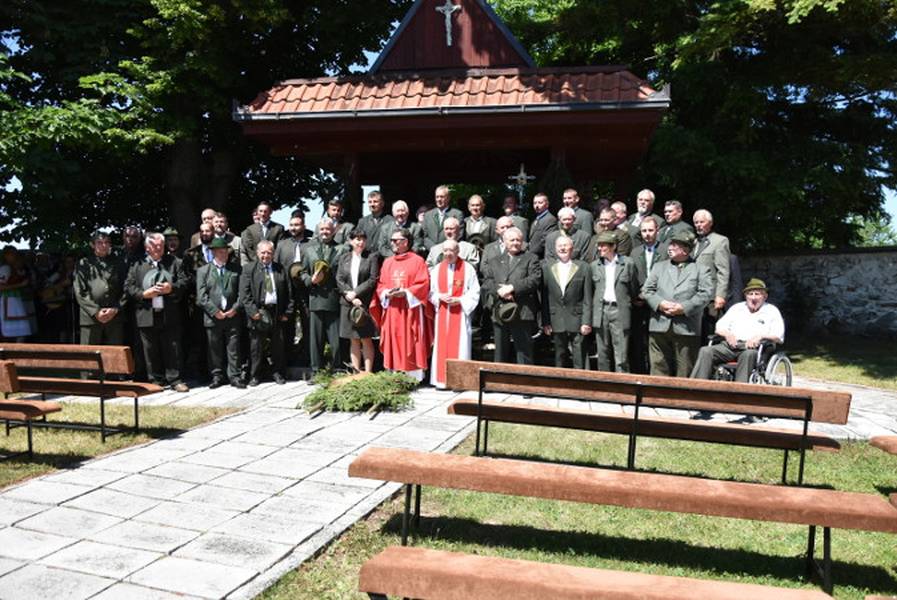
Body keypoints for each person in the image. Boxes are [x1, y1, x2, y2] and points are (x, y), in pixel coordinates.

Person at [642, 232, 713, 377]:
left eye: (674, 245)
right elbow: (647, 290)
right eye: (670, 244)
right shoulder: (659, 267)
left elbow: (705, 294)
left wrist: (684, 308)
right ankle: (657, 392)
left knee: (685, 369)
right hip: (659, 325)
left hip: (686, 327)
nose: (670, 248)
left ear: (685, 250)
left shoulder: (701, 269)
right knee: (658, 367)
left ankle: (682, 393)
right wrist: (660, 304)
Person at [125, 233, 189, 391]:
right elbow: (128, 287)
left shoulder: (175, 262)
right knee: (150, 348)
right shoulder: (137, 264)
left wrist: (171, 288)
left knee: (172, 347)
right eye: (155, 245)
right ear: (147, 247)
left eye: (161, 245)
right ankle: (155, 380)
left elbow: (185, 282)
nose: (159, 248)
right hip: (146, 312)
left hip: (169, 312)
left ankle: (175, 380)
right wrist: (143, 294)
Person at [691, 278, 785, 382]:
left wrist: (760, 337)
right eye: (750, 294)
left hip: (754, 348)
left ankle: (739, 389)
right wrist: (727, 334)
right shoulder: (737, 308)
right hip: (730, 346)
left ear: (765, 296)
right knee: (706, 351)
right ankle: (697, 386)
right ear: (746, 296)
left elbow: (778, 336)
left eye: (757, 294)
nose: (753, 298)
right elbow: (719, 327)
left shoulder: (771, 311)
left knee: (748, 355)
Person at [375, 228, 432, 381]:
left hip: (410, 309)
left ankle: (413, 376)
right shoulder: (387, 262)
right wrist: (386, 293)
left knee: (411, 339)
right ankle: (395, 375)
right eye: (391, 240)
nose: (392, 243)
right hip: (393, 309)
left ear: (405, 242)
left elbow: (423, 283)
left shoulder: (418, 261)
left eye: (395, 240)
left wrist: (406, 293)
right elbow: (381, 284)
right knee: (394, 339)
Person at [481, 227, 541, 365]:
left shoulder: (531, 258)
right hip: (500, 310)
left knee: (524, 352)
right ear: (504, 241)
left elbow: (534, 279)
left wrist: (512, 288)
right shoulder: (494, 261)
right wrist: (500, 291)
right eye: (511, 240)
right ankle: (499, 378)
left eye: (518, 240)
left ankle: (524, 377)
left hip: (522, 311)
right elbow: (487, 282)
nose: (515, 243)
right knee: (500, 353)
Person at [240, 240, 293, 385]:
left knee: (278, 346)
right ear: (257, 253)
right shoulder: (249, 269)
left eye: (269, 252)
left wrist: (287, 312)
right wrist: (253, 312)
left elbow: (289, 292)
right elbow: (245, 294)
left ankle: (277, 373)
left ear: (273, 254)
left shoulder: (281, 269)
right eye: (263, 252)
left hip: (276, 312)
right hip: (258, 313)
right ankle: (255, 375)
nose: (266, 255)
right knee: (256, 347)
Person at [429, 239, 480, 387]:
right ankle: (441, 381)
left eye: (451, 250)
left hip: (460, 314)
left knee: (460, 346)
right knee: (441, 347)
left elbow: (475, 291)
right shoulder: (437, 269)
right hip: (442, 313)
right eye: (445, 250)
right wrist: (439, 297)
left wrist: (460, 300)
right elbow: (430, 292)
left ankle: (459, 382)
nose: (448, 253)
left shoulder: (468, 269)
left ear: (458, 251)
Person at [196, 237, 245, 388]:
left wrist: (235, 309)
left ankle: (235, 376)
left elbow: (242, 293)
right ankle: (217, 376)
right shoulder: (203, 271)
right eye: (220, 252)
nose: (223, 254)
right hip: (213, 317)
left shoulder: (236, 269)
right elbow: (201, 296)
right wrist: (215, 311)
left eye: (225, 251)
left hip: (232, 315)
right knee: (214, 348)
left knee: (234, 347)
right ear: (213, 253)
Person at [301, 218, 346, 372]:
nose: (325, 232)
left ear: (333, 231)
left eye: (328, 229)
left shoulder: (342, 249)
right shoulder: (309, 249)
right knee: (316, 339)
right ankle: (316, 370)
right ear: (318, 231)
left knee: (336, 339)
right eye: (322, 229)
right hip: (315, 298)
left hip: (334, 298)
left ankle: (337, 368)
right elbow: (302, 272)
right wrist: (310, 280)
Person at [590, 231, 638, 372]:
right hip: (601, 310)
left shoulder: (627, 263)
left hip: (619, 310)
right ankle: (604, 382)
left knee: (621, 353)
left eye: (603, 246)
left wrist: (628, 302)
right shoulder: (594, 266)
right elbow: (592, 290)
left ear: (613, 246)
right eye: (599, 245)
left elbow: (633, 288)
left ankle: (622, 382)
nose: (600, 248)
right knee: (602, 352)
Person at [542, 236, 592, 369]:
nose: (562, 248)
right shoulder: (547, 268)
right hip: (556, 318)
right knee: (559, 355)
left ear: (572, 248)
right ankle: (560, 379)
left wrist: (586, 321)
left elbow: (587, 297)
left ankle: (581, 379)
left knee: (580, 355)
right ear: (555, 249)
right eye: (560, 246)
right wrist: (546, 321)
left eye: (565, 245)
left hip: (577, 318)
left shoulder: (583, 267)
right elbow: (545, 297)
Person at [337, 230, 379, 373]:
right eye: (357, 239)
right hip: (348, 303)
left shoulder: (371, 257)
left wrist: (356, 293)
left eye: (363, 239)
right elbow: (339, 279)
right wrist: (349, 294)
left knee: (366, 338)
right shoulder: (344, 257)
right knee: (353, 339)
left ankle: (368, 372)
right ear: (350, 241)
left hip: (363, 303)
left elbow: (372, 279)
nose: (360, 242)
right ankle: (356, 371)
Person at [275, 211, 313, 371]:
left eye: (297, 225)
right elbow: (276, 267)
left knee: (308, 323)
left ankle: (308, 358)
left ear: (303, 226)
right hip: (288, 291)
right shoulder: (282, 245)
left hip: (307, 290)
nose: (293, 228)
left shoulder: (311, 244)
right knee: (287, 325)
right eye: (291, 225)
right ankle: (288, 359)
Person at [74, 231, 127, 345]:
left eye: (107, 242)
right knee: (90, 353)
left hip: (114, 317)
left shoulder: (119, 263)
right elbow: (80, 291)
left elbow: (126, 288)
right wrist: (95, 311)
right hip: (90, 317)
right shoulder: (84, 263)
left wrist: (116, 309)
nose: (104, 245)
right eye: (99, 242)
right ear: (92, 245)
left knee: (114, 353)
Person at [628, 215, 665, 374]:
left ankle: (657, 372)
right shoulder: (635, 252)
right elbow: (631, 277)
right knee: (638, 340)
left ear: (657, 231)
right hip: (639, 303)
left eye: (650, 230)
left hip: (659, 302)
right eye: (644, 231)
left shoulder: (665, 250)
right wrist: (636, 296)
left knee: (657, 340)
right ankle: (639, 372)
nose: (647, 234)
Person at [692, 209, 731, 340]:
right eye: (696, 222)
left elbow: (723, 270)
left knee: (710, 331)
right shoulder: (693, 242)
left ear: (710, 223)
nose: (698, 225)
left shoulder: (720, 241)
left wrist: (720, 295)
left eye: (701, 222)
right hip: (694, 294)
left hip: (711, 296)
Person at [0, 246, 37, 341]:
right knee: (12, 332)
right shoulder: (5, 268)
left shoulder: (14, 269)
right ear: (6, 255)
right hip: (8, 302)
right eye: (12, 253)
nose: (15, 256)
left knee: (22, 331)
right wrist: (20, 285)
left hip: (15, 302)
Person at [423, 185, 464, 251]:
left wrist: (445, 248)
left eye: (442, 197)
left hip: (450, 252)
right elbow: (425, 237)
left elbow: (459, 235)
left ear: (448, 198)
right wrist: (435, 249)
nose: (439, 199)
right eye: (437, 197)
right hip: (431, 252)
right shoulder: (428, 215)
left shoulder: (457, 214)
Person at [528, 192, 557, 259]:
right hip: (533, 256)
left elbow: (547, 240)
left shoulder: (550, 219)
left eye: (540, 203)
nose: (537, 205)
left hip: (541, 258)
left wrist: (531, 251)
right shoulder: (535, 219)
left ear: (547, 205)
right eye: (535, 203)